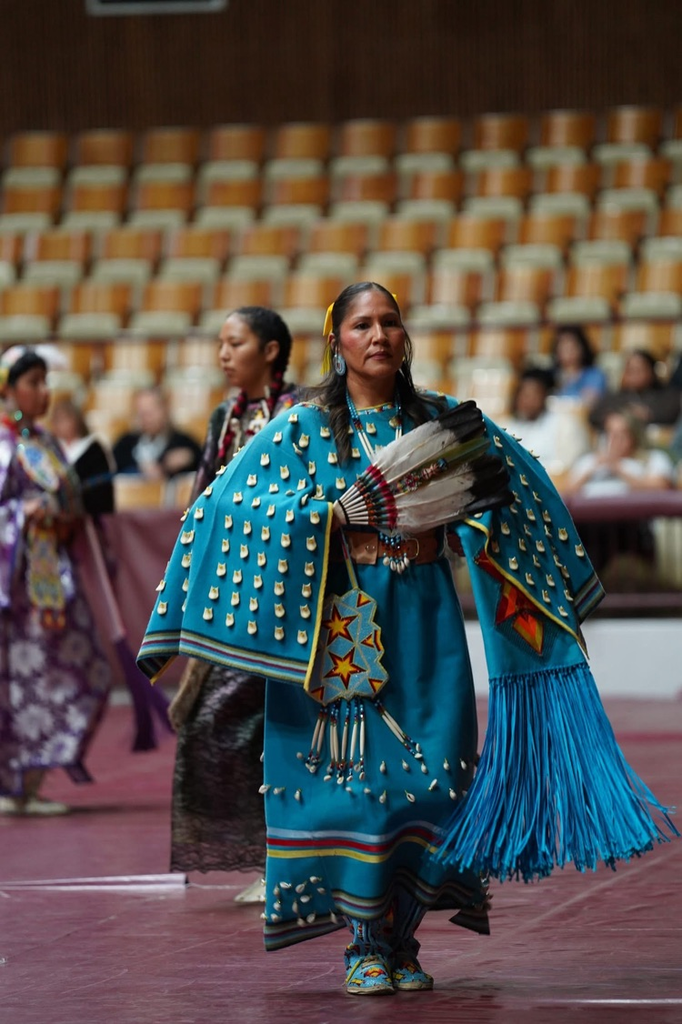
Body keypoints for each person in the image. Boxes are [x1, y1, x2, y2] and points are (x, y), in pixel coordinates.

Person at [138, 283, 677, 996]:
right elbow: (225, 506)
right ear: (337, 342)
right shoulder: (302, 432)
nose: (379, 334)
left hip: (425, 619)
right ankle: (365, 943)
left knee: (433, 779)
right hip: (341, 630)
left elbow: (522, 485)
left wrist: (489, 530)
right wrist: (324, 518)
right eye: (362, 324)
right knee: (354, 788)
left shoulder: (441, 423)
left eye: (390, 321)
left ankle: (403, 938)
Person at [167, 307, 298, 894]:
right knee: (211, 717)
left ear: (270, 350)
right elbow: (203, 502)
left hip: (287, 594)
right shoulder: (226, 418)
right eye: (220, 343)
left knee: (271, 724)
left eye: (235, 342)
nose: (223, 353)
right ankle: (270, 857)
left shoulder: (299, 413)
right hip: (230, 595)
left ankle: (283, 859)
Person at [0, 347, 112, 815]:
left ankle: (32, 782)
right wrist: (21, 515)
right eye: (33, 382)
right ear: (8, 389)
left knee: (69, 674)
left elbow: (69, 502)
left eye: (46, 382)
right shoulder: (3, 445)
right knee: (19, 681)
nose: (44, 392)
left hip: (51, 581)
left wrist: (64, 512)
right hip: (14, 589)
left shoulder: (44, 441)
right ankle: (15, 785)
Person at [565, 409, 675, 577]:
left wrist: (617, 467)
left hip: (633, 525)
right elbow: (565, 494)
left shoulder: (652, 459)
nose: (614, 440)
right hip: (588, 526)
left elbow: (660, 487)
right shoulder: (588, 462)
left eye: (621, 434)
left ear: (635, 436)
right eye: (610, 433)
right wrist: (591, 471)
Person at [501, 365, 591, 481]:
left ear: (545, 396)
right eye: (524, 395)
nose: (528, 401)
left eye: (534, 395)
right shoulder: (506, 427)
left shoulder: (565, 424)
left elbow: (569, 467)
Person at [112, 387, 202, 480]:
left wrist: (190, 459)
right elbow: (112, 469)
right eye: (142, 413)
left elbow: (203, 468)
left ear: (165, 410)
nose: (146, 419)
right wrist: (141, 469)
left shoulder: (184, 443)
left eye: (151, 412)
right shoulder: (125, 444)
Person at [50, 397, 116, 516]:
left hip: (87, 515)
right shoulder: (51, 449)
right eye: (57, 420)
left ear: (77, 420)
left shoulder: (94, 450)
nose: (61, 424)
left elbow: (102, 490)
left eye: (65, 419)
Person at [588, 348, 681, 432]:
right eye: (630, 370)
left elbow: (673, 415)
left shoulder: (667, 396)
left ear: (651, 371)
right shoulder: (616, 396)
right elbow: (594, 416)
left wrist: (649, 415)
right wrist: (624, 415)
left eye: (638, 370)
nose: (633, 376)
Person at [551, 324, 608, 410]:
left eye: (571, 345)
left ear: (582, 348)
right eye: (562, 345)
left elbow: (589, 404)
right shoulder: (550, 375)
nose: (567, 350)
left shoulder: (594, 375)